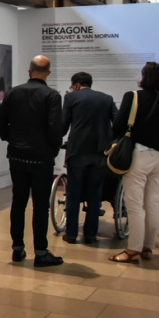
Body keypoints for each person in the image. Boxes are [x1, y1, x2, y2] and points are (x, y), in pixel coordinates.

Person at [0, 55, 63, 267]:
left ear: (29, 71)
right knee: (41, 206)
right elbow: (55, 128)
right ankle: (41, 252)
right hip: (41, 158)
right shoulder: (52, 96)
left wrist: (10, 138)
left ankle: (17, 249)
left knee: (19, 202)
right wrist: (52, 149)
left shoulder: (14, 92)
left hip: (17, 155)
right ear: (48, 73)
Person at [108, 62, 159, 263]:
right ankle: (148, 247)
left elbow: (119, 126)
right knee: (153, 202)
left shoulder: (133, 96)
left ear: (144, 77)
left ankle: (133, 249)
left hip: (139, 154)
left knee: (135, 205)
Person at [61, 72, 117, 244]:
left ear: (77, 85)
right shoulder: (107, 99)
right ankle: (91, 234)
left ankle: (71, 234)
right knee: (95, 193)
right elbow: (118, 121)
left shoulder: (72, 98)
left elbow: (63, 125)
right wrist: (109, 141)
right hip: (99, 153)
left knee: (73, 193)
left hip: (77, 152)